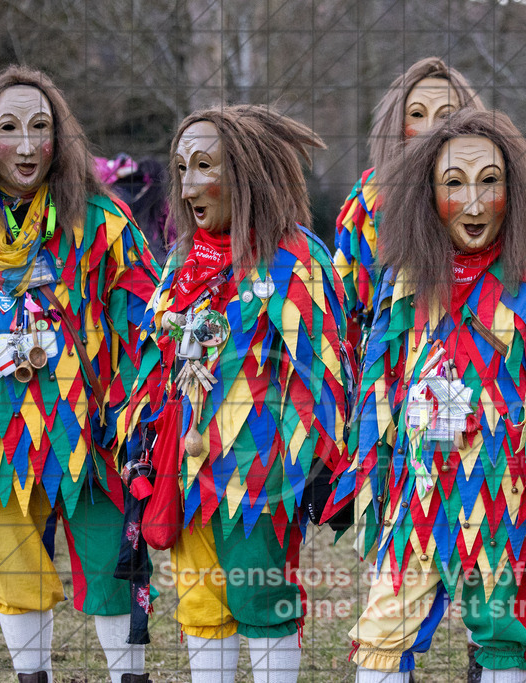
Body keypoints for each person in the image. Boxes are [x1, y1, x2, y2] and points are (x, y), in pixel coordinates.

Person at [328, 108, 526, 683]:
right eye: (454, 183)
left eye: (490, 182)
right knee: (383, 628)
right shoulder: (405, 277)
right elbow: (380, 386)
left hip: (507, 494)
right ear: (427, 193)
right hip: (419, 490)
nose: (473, 201)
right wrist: (369, 473)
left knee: (501, 630)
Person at [0, 65, 158, 683]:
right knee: (9, 563)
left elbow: (139, 320)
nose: (28, 145)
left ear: (61, 139)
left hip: (91, 435)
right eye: (10, 129)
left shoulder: (104, 222)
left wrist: (132, 412)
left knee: (111, 557)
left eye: (41, 127)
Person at [119, 104, 350, 683]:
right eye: (181, 169)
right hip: (183, 466)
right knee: (200, 605)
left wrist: (299, 465)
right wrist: (142, 435)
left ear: (245, 171)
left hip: (256, 477)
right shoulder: (179, 262)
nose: (190, 184)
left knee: (261, 602)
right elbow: (157, 362)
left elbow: (321, 375)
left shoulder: (296, 259)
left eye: (205, 165)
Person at [333, 56, 484, 348]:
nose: (430, 127)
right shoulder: (369, 197)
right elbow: (344, 304)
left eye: (445, 115)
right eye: (417, 113)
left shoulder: (488, 198)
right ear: (397, 122)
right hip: (385, 368)